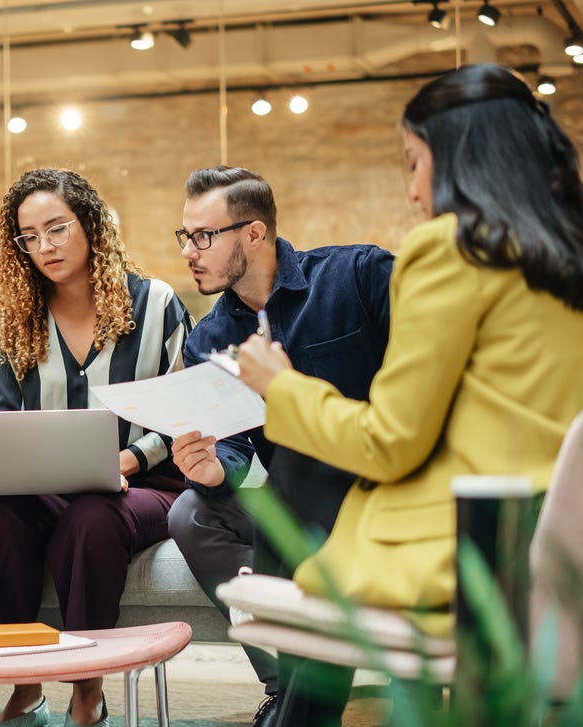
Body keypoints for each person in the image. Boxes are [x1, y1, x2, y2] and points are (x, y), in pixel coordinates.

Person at [235, 64, 583, 725]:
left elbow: (389, 443)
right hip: (570, 557)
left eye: (414, 163)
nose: (411, 192)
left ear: (461, 158)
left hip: (473, 554)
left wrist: (279, 387)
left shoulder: (452, 250)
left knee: (300, 469)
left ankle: (296, 709)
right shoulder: (580, 258)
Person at [0, 168, 192, 727]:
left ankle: (88, 687)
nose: (45, 246)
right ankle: (24, 685)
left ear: (89, 224)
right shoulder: (14, 324)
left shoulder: (155, 304)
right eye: (29, 236)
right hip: (44, 489)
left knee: (92, 517)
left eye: (57, 228)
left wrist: (126, 460)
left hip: (143, 485)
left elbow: (183, 413)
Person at [165, 166, 393, 726]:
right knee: (191, 511)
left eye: (204, 236)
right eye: (185, 236)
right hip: (293, 502)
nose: (189, 252)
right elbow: (235, 448)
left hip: (385, 484)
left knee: (298, 490)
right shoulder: (209, 340)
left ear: (254, 233)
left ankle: (303, 691)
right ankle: (283, 684)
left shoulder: (357, 276)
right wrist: (214, 468)